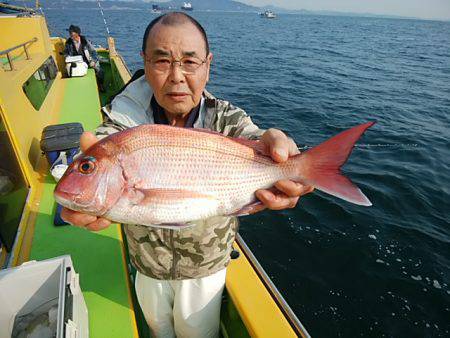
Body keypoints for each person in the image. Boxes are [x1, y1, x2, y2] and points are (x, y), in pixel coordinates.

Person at [62, 12, 313, 338]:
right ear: (145, 62)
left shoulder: (226, 118)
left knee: (198, 332)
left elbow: (254, 136)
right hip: (148, 265)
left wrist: (291, 163)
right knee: (158, 328)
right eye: (162, 61)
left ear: (208, 65)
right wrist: (87, 170)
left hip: (205, 268)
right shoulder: (125, 121)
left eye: (190, 62)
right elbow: (106, 139)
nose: (177, 76)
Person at [64, 24, 104, 90]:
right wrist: (67, 57)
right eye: (69, 32)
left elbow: (93, 51)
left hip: (88, 61)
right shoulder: (68, 43)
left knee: (100, 71)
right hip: (76, 63)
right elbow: (65, 52)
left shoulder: (85, 41)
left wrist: (93, 61)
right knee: (68, 73)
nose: (70, 34)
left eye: (71, 32)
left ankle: (100, 85)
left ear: (77, 33)